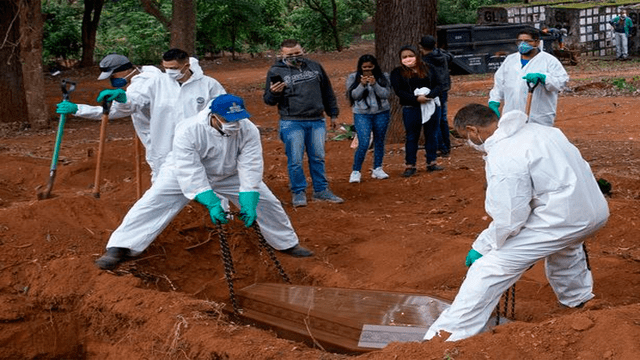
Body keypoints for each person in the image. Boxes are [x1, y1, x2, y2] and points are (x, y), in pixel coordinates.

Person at [423, 104, 609, 342]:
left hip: (562, 218)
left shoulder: (505, 155)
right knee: (565, 247)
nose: (468, 142)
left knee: (489, 268)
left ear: (472, 130)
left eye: (464, 137)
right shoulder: (542, 131)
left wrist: (483, 246)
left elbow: (510, 217)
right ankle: (579, 299)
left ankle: (447, 335)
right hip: (590, 210)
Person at [95, 94, 314, 270]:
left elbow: (251, 164)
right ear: (214, 116)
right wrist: (210, 200)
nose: (235, 124)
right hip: (181, 172)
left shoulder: (248, 129)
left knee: (267, 203)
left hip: (229, 174)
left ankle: (286, 243)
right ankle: (120, 247)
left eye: (238, 119)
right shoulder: (189, 130)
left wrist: (248, 197)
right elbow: (190, 168)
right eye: (229, 120)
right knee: (153, 202)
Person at [56, 49, 226, 182]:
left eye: (113, 75)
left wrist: (78, 109)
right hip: (162, 137)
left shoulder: (147, 82)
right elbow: (132, 102)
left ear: (125, 70)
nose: (112, 80)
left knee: (174, 175)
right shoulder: (153, 75)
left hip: (166, 138)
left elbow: (118, 110)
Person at [263, 39, 343, 207]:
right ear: (282, 55)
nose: (294, 57)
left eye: (297, 53)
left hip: (316, 120)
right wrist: (274, 93)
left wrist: (333, 114)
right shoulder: (276, 71)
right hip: (292, 121)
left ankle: (321, 190)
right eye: (290, 55)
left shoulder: (315, 67)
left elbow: (327, 91)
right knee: (295, 160)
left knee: (318, 157)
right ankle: (298, 192)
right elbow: (269, 101)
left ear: (303, 50)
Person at [488, 29, 569, 127]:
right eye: (520, 41)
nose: (523, 44)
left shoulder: (549, 61)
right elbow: (499, 83)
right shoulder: (510, 60)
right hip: (511, 114)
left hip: (538, 117)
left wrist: (544, 78)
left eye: (527, 41)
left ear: (537, 42)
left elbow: (561, 82)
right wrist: (494, 101)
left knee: (536, 141)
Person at [390, 45, 444, 177]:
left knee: (431, 134)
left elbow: (439, 84)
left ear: (417, 56)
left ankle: (432, 162)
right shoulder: (397, 72)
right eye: (404, 57)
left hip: (431, 106)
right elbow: (399, 91)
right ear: (400, 59)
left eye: (410, 55)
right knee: (411, 136)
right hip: (411, 108)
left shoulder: (429, 68)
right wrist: (416, 99)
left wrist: (430, 95)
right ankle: (410, 165)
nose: (408, 59)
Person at [345, 54, 391, 183]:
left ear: (374, 66)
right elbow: (354, 96)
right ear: (360, 67)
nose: (367, 70)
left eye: (370, 67)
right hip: (362, 113)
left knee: (379, 140)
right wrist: (362, 85)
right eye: (364, 67)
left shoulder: (383, 77)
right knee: (364, 142)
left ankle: (378, 168)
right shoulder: (353, 77)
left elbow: (386, 94)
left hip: (381, 112)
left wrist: (375, 84)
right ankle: (356, 171)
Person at [420, 35, 454, 158]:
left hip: (434, 90)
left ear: (421, 47)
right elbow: (451, 57)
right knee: (443, 119)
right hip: (444, 88)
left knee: (435, 119)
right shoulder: (442, 55)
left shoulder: (426, 60)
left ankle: (441, 147)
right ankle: (446, 146)